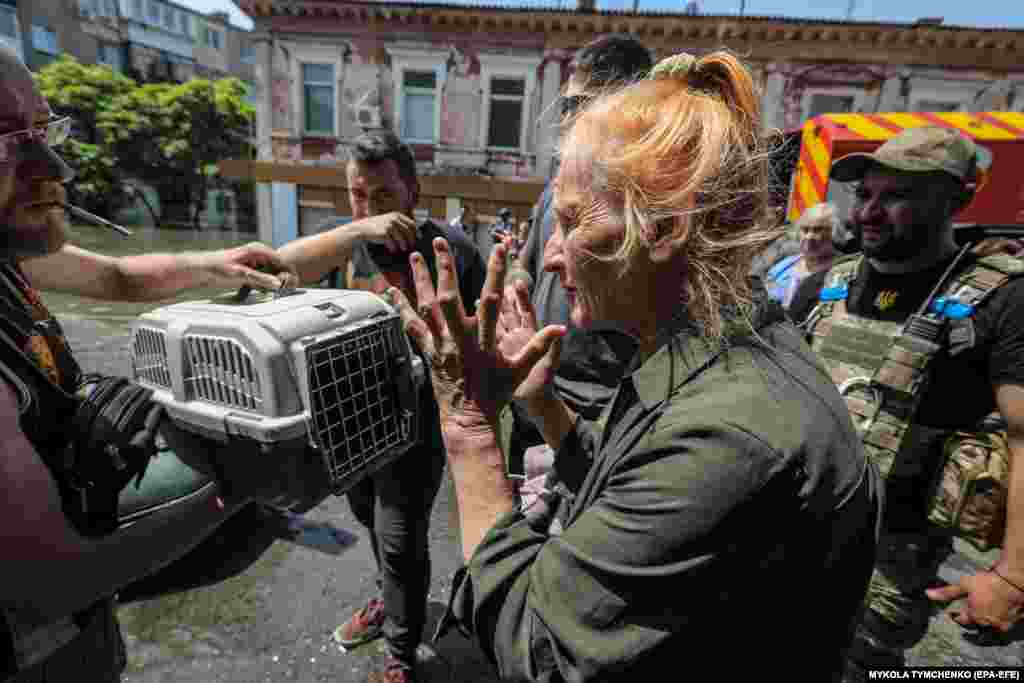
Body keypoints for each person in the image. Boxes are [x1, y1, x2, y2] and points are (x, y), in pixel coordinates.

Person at [386, 51, 881, 679]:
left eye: (569, 221)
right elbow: (628, 470)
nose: (551, 257)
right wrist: (545, 407)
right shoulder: (710, 346)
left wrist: (467, 423)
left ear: (662, 227)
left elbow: (538, 650)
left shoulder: (727, 434)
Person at [0, 45, 297, 682]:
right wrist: (240, 476)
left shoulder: (8, 251)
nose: (52, 166)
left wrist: (219, 264)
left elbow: (115, 275)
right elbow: (49, 580)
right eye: (5, 144)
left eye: (43, 132)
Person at [786, 126, 1024, 679]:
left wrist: (1012, 576)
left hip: (886, 561)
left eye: (895, 197)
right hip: (788, 530)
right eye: (864, 194)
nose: (870, 211)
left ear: (957, 198)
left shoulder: (1001, 299)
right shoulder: (822, 288)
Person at [276, 129, 486, 683]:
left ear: (413, 191)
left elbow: (482, 338)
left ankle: (400, 657)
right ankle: (390, 604)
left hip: (413, 430)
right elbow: (274, 268)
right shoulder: (340, 245)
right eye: (357, 196)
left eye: (384, 197)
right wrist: (356, 229)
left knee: (400, 541)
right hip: (346, 429)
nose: (370, 209)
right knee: (368, 521)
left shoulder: (453, 251)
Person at [508, 33, 653, 492]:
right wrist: (516, 284)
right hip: (532, 396)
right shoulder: (557, 186)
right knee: (520, 530)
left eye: (577, 106)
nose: (565, 119)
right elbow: (526, 260)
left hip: (593, 415)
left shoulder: (646, 200)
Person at [764, 202, 837, 310]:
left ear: (833, 233)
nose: (809, 237)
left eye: (817, 230)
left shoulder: (840, 271)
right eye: (805, 230)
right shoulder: (784, 266)